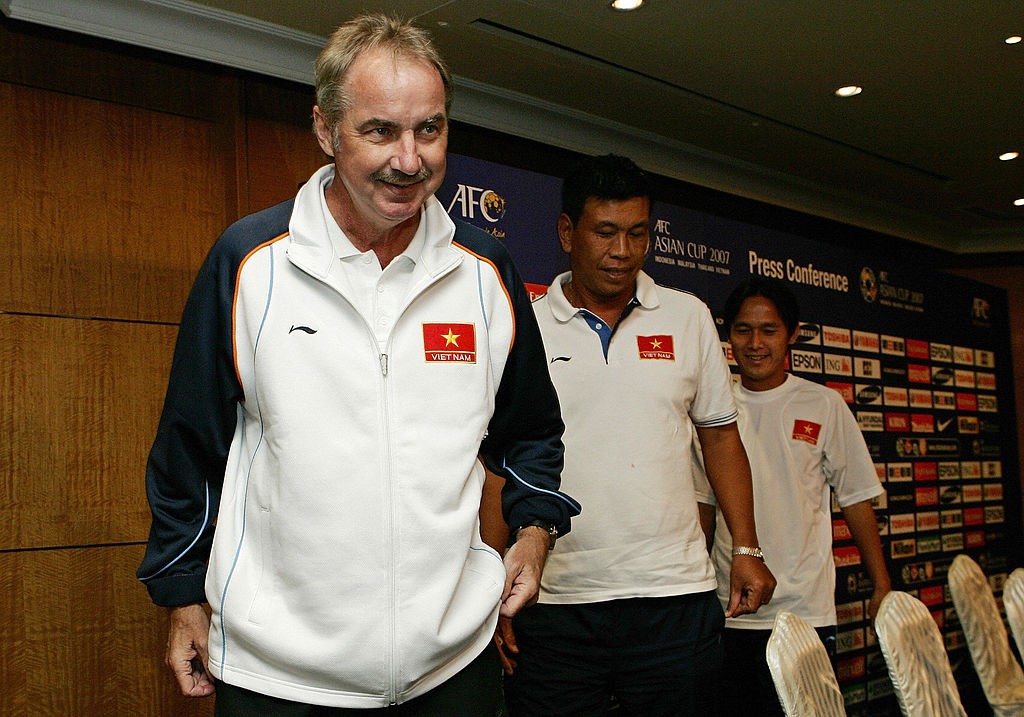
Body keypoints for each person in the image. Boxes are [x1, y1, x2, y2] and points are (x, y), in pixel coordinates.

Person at [136, 14, 579, 714]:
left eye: (429, 129)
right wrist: (182, 591)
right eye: (380, 131)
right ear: (325, 129)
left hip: (452, 668)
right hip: (280, 675)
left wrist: (533, 529)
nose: (409, 159)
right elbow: (190, 447)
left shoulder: (485, 272)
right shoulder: (251, 262)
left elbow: (529, 431)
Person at [500, 153, 775, 716]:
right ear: (566, 232)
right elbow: (497, 460)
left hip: (673, 598)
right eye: (605, 233)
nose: (622, 252)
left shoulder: (688, 316)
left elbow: (721, 440)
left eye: (637, 233)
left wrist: (745, 546)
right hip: (557, 601)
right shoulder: (523, 323)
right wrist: (492, 580)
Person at [709, 277, 891, 716]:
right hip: (727, 612)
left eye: (768, 330)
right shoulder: (712, 408)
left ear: (792, 334)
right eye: (742, 330)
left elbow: (856, 499)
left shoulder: (823, 404)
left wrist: (881, 585)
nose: (754, 343)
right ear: (728, 334)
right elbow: (699, 506)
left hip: (805, 613)